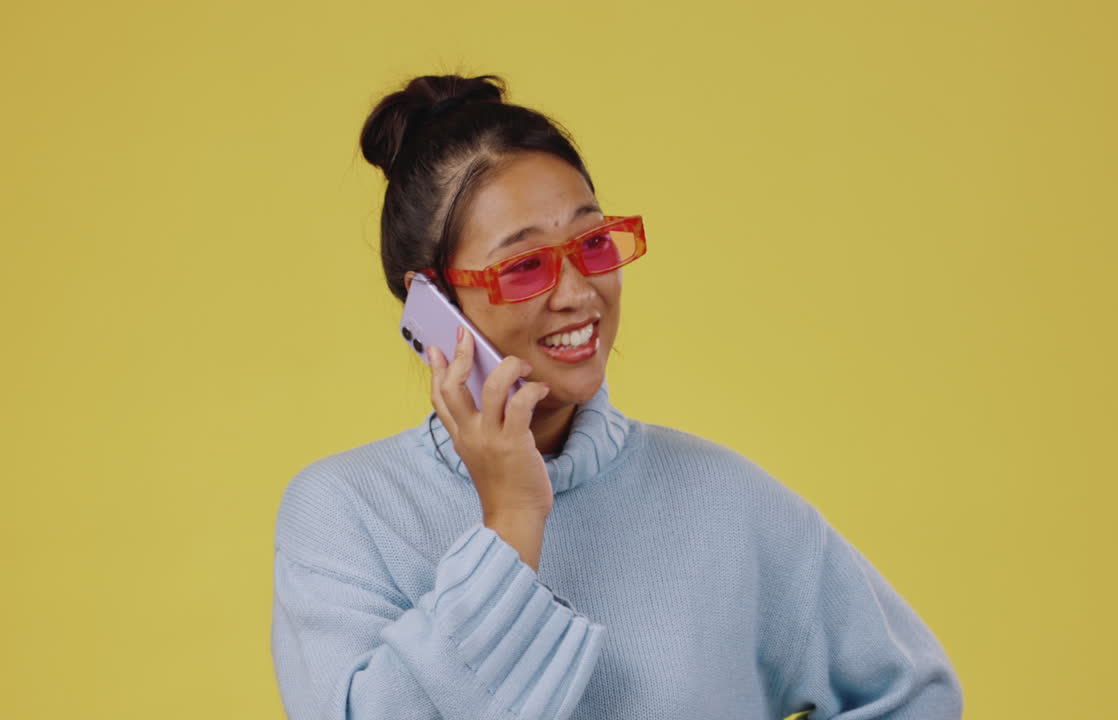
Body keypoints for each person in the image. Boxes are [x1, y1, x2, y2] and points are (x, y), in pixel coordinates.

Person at [270, 73, 964, 720]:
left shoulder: (724, 498)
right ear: (433, 302)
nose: (577, 293)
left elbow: (915, 694)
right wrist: (511, 521)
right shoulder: (346, 513)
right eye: (526, 265)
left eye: (594, 243)